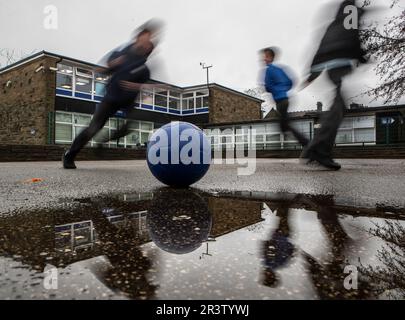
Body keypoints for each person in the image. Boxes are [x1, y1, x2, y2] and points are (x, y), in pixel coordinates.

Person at [62, 20, 165, 169]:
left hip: (128, 101)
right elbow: (106, 68)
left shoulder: (144, 67)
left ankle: (102, 142)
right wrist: (104, 67)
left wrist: (138, 86)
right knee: (93, 128)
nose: (148, 43)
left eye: (150, 41)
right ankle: (69, 156)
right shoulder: (122, 53)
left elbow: (145, 85)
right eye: (146, 38)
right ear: (138, 37)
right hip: (111, 98)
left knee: (129, 126)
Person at [300, 0, 368, 170]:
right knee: (338, 107)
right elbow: (351, 33)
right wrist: (361, 56)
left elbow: (321, 46)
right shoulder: (351, 9)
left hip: (329, 64)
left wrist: (312, 74)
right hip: (338, 62)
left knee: (339, 106)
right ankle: (317, 148)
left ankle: (317, 149)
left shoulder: (334, 22)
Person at [261, 47, 309, 148]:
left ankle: (307, 144)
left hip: (281, 101)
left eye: (265, 56)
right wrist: (282, 89)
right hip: (285, 100)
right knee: (284, 125)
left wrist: (276, 90)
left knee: (284, 126)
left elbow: (267, 86)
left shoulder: (269, 70)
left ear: (270, 57)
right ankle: (306, 145)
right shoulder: (280, 69)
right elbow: (291, 82)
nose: (263, 59)